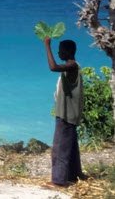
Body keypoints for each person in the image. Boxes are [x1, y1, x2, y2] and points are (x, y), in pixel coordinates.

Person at [43, 36, 84, 186]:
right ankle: (74, 175)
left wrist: (47, 45)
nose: (58, 53)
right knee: (71, 146)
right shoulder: (73, 65)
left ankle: (59, 181)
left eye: (60, 51)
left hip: (66, 114)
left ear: (67, 52)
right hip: (70, 113)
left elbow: (53, 67)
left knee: (60, 147)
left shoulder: (72, 65)